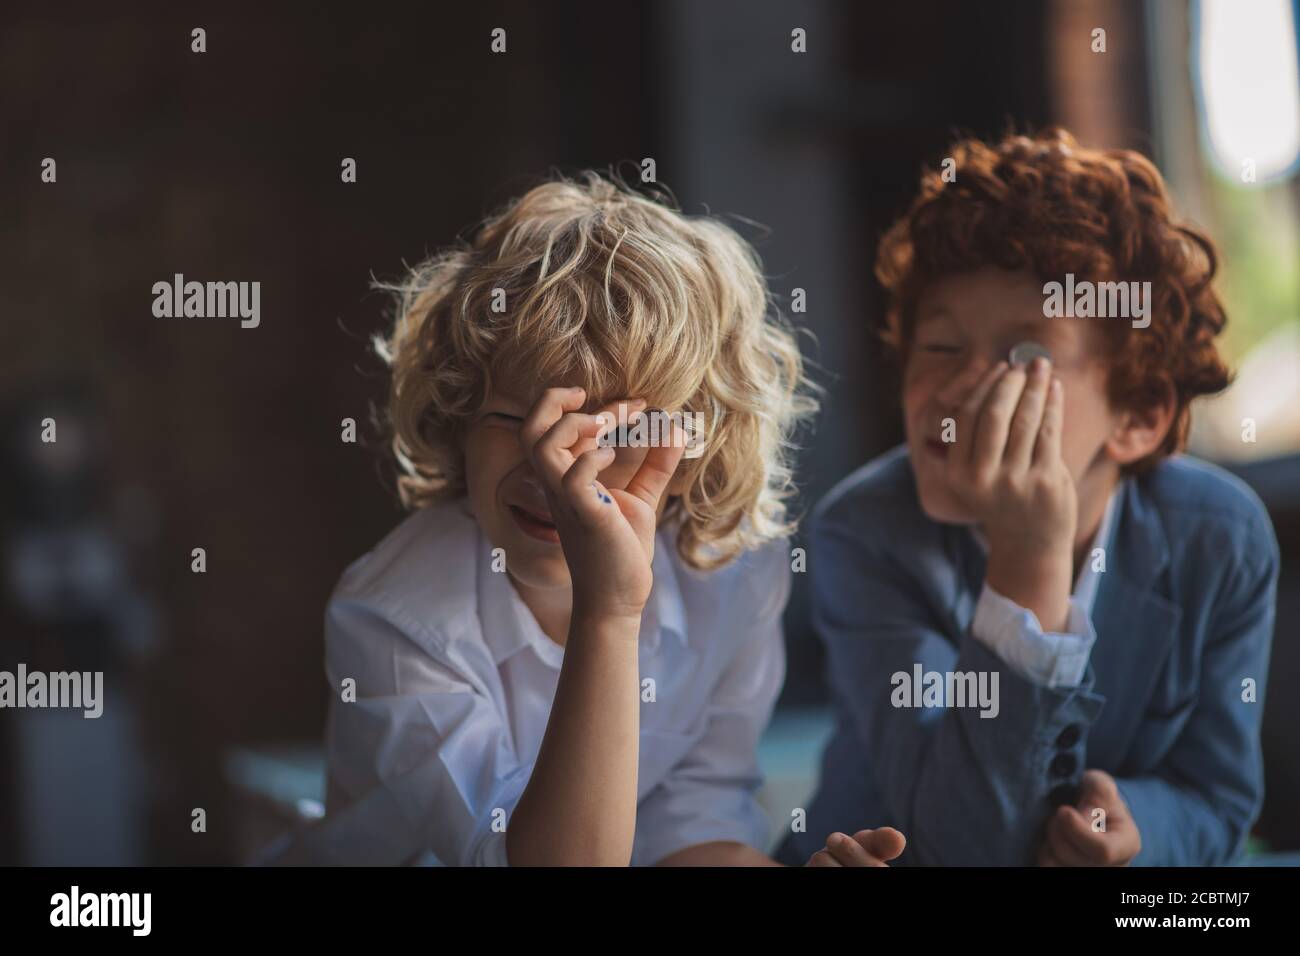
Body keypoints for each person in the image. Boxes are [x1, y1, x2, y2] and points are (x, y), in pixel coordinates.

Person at [319, 172, 904, 867]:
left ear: (693, 452)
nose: (556, 470)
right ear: (458, 418)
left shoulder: (731, 569)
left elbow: (688, 824)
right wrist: (610, 611)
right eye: (521, 420)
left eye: (612, 434)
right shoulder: (397, 615)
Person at [781, 128, 1278, 866]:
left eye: (1027, 357)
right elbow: (962, 841)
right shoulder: (864, 531)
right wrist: (1028, 562)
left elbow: (1217, 793)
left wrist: (1138, 827)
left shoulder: (1221, 537)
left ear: (1138, 416)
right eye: (941, 348)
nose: (959, 386)